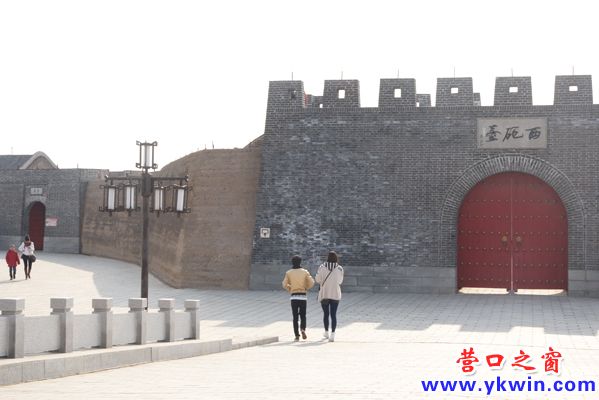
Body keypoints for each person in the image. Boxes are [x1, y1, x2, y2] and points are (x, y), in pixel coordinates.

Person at [282, 255, 315, 341]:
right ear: (300, 262)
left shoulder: (289, 273)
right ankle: (303, 329)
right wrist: (306, 287)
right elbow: (312, 282)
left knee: (295, 317)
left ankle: (297, 335)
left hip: (294, 296)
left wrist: (290, 288)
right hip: (303, 296)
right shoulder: (305, 272)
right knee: (303, 315)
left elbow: (284, 284)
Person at [315, 251, 344, 342]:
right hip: (335, 293)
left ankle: (326, 332)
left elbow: (317, 279)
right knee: (333, 314)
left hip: (325, 294)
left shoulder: (322, 267)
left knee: (326, 314)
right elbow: (340, 281)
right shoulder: (339, 268)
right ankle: (333, 334)